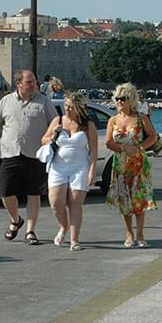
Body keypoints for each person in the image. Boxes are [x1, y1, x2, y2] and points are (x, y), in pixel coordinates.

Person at [0, 70, 58, 245]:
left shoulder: (44, 101)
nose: (33, 84)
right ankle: (15, 220)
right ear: (18, 83)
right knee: (5, 192)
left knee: (33, 194)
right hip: (10, 153)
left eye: (34, 81)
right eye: (29, 82)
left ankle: (30, 231)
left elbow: (56, 122)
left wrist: (50, 138)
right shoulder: (6, 101)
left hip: (35, 154)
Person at [41, 91, 98, 251]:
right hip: (58, 166)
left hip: (80, 167)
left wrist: (92, 171)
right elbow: (43, 139)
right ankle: (63, 226)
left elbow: (93, 150)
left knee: (75, 202)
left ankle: (75, 239)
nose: (67, 109)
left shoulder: (88, 125)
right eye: (66, 106)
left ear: (79, 108)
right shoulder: (58, 120)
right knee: (55, 203)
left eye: (71, 107)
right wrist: (54, 134)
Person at [105, 83, 158, 248]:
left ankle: (140, 233)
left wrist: (139, 147)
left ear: (131, 100)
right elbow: (108, 142)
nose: (119, 101)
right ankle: (129, 233)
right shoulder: (113, 120)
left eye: (123, 98)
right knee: (124, 200)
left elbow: (153, 136)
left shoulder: (141, 117)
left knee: (138, 199)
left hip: (138, 163)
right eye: (117, 98)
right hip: (120, 165)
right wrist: (123, 148)